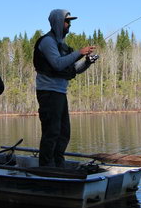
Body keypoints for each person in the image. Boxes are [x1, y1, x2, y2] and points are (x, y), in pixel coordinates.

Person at [33, 9, 98, 167]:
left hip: (60, 93)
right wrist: (80, 52)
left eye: (70, 22)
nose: (69, 24)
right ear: (57, 22)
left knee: (64, 132)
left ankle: (58, 163)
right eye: (67, 21)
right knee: (52, 131)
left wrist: (87, 62)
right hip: (48, 92)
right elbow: (57, 63)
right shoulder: (47, 42)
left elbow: (74, 68)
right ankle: (46, 166)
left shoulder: (63, 45)